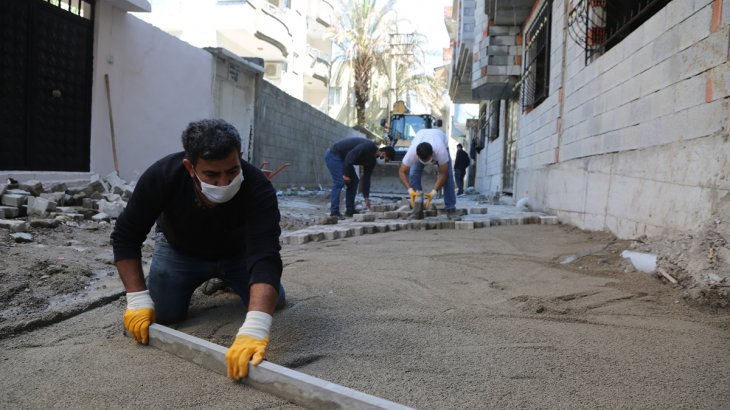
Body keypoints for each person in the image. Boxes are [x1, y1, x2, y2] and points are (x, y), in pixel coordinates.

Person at [111, 118, 285, 381]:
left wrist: (256, 328)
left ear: (240, 157)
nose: (224, 183)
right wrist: (136, 298)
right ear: (189, 167)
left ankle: (225, 279)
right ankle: (190, 281)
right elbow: (125, 236)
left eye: (232, 171)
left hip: (237, 255)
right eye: (212, 175)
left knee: (275, 302)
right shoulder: (162, 175)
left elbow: (266, 256)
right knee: (164, 315)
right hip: (179, 251)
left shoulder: (258, 188)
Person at [325, 136, 395, 217]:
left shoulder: (372, 161)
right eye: (386, 159)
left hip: (344, 160)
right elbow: (350, 156)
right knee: (339, 181)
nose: (385, 162)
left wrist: (366, 197)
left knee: (354, 181)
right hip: (334, 155)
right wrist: (346, 174)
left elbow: (366, 178)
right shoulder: (369, 146)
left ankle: (350, 210)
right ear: (383, 153)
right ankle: (334, 212)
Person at [398, 127, 457, 213]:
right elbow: (402, 171)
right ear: (417, 156)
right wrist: (410, 190)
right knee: (413, 173)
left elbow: (443, 174)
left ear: (432, 154)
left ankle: (450, 206)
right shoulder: (412, 152)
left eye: (427, 160)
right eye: (423, 160)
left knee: (448, 175)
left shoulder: (440, 150)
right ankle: (417, 205)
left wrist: (433, 192)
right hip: (421, 135)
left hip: (439, 137)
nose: (426, 162)